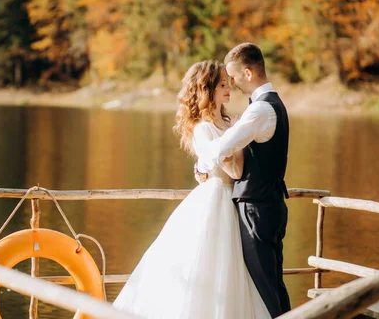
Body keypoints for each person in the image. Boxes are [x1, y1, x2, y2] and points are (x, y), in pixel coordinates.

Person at [113, 60, 271, 319]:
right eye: (222, 84)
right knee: (206, 267)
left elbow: (231, 166)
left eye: (227, 82)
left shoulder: (227, 122)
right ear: (208, 90)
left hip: (229, 201)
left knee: (229, 271)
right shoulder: (204, 127)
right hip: (215, 200)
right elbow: (235, 171)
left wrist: (231, 139)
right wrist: (233, 141)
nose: (228, 87)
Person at [195, 42, 291, 317]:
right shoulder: (275, 105)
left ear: (248, 74)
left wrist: (201, 165)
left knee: (264, 289)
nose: (233, 84)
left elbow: (221, 148)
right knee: (273, 285)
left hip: (256, 209)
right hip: (272, 205)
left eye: (234, 77)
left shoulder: (259, 110)